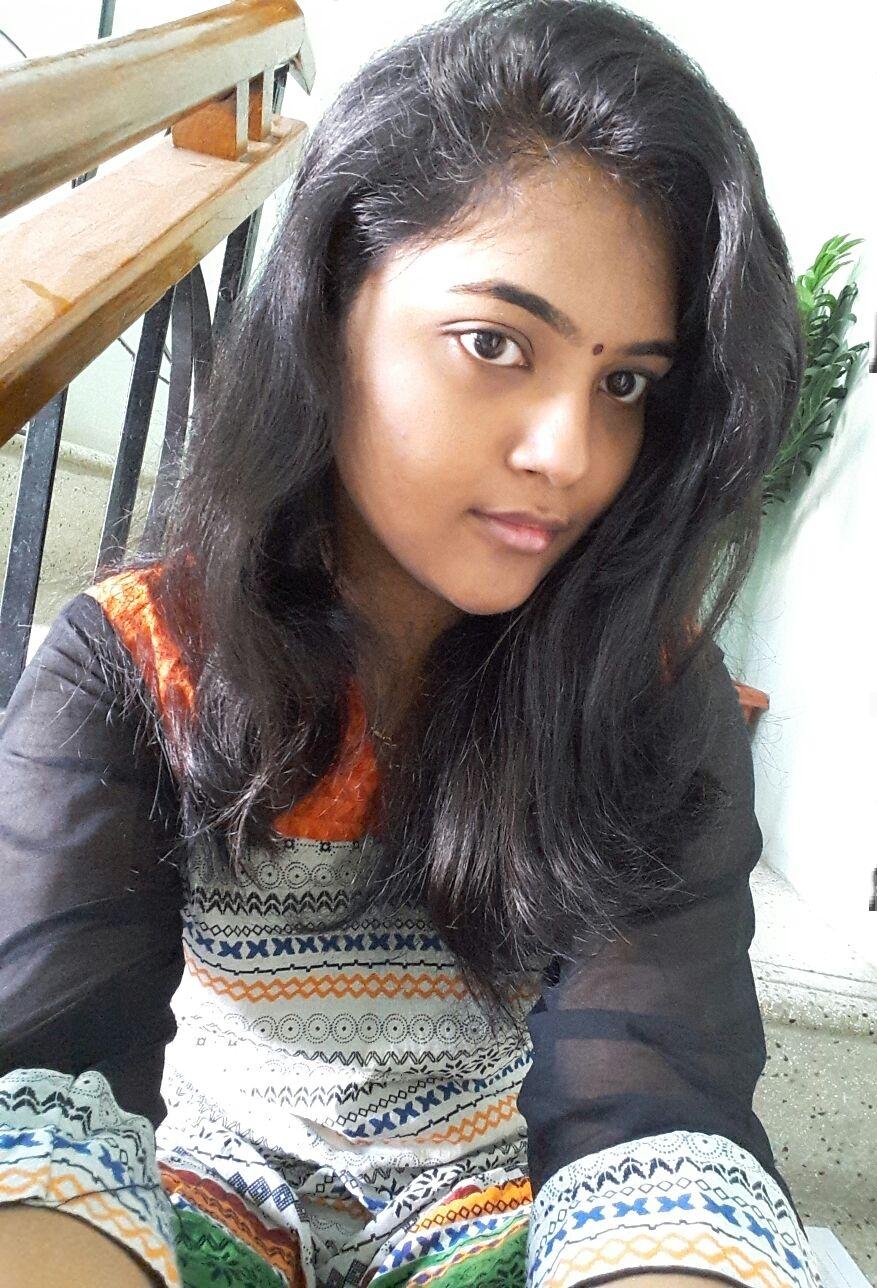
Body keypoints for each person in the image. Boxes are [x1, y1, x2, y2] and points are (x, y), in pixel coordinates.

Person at [0, 0, 823, 1285]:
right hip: (215, 1175)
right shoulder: (137, 661)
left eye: (625, 383)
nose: (568, 452)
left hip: (508, 1192)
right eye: (495, 343)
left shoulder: (648, 691)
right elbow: (43, 1079)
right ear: (334, 301)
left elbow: (653, 1108)